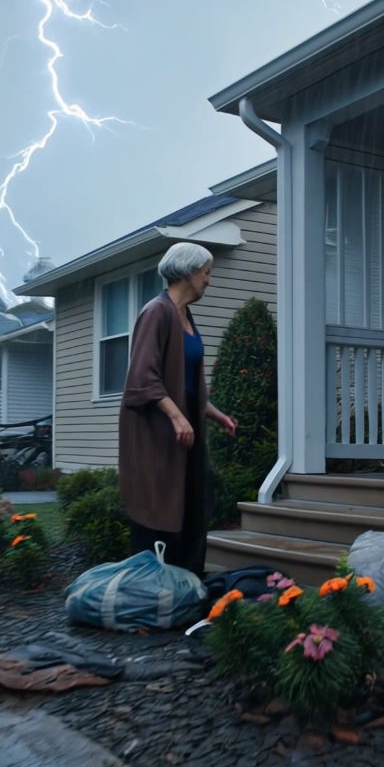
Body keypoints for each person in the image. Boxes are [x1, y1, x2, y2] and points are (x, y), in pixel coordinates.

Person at [118, 241, 238, 575]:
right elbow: (143, 377)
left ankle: (186, 586)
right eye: (206, 272)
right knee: (159, 507)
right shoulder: (157, 312)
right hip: (157, 435)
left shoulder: (186, 315)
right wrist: (176, 416)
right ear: (186, 272)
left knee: (194, 504)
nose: (208, 280)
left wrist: (213, 413)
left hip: (185, 430)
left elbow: (187, 381)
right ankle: (151, 587)